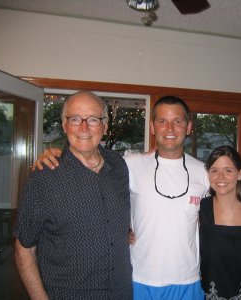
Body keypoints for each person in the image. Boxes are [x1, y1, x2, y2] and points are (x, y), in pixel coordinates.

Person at [33, 95, 209, 299]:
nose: (169, 129)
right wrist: (55, 154)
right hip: (139, 280)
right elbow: (90, 164)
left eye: (177, 121)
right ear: (152, 127)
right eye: (162, 121)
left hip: (188, 280)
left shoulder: (205, 173)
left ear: (188, 127)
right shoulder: (128, 165)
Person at [14, 91, 133, 299]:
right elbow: (25, 249)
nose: (84, 128)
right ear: (64, 124)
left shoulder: (119, 165)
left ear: (105, 126)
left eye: (93, 119)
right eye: (75, 119)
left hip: (121, 293)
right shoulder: (44, 177)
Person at [200, 145, 241, 299]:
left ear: (240, 174)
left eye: (228, 170)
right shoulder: (199, 209)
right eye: (214, 171)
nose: (220, 177)